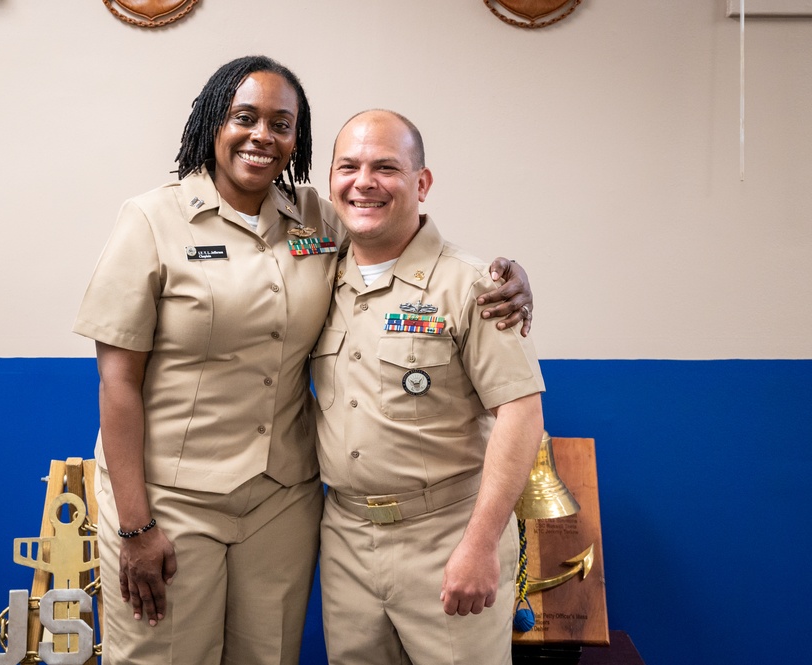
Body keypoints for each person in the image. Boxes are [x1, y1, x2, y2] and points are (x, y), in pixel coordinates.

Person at [74, 56, 534, 665]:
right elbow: (117, 381)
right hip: (172, 501)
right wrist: (133, 525)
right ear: (213, 121)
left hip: (279, 502)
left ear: (298, 139)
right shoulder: (151, 222)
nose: (263, 136)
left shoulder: (315, 219)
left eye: (282, 124)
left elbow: (399, 236)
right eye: (245, 117)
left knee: (268, 657)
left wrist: (507, 276)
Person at [311, 109, 546, 665]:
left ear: (422, 182)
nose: (364, 181)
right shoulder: (317, 270)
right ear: (331, 180)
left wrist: (481, 544)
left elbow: (521, 414)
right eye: (349, 166)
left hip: (447, 535)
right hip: (345, 536)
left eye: (386, 167)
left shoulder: (475, 286)